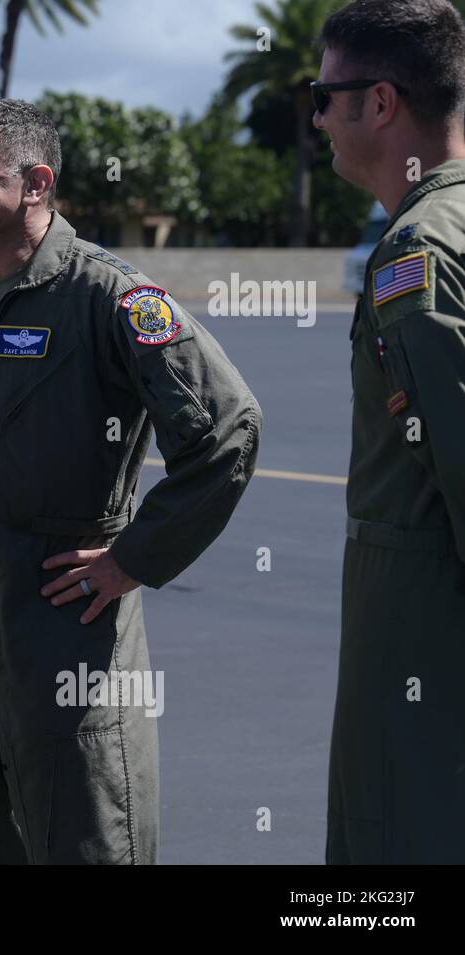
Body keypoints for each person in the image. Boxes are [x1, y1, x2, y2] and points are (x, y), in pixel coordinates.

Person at [0, 99, 261, 864]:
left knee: (92, 835)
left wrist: (135, 558)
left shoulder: (112, 298)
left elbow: (227, 427)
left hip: (71, 626)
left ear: (35, 183)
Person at [314, 0, 465, 864]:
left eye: (325, 94)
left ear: (379, 104)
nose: (319, 117)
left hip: (422, 621)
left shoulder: (419, 254)